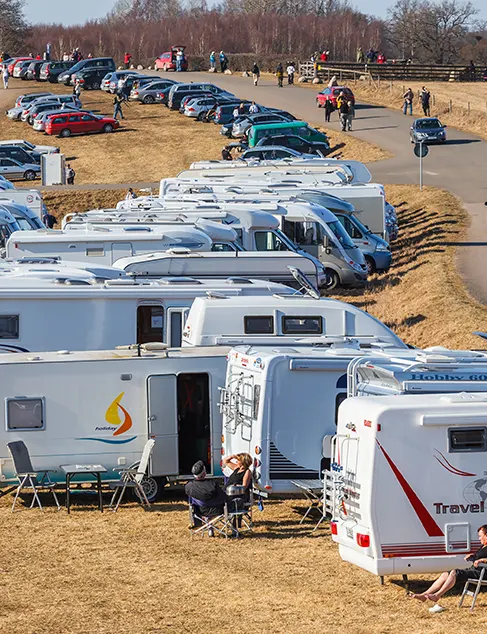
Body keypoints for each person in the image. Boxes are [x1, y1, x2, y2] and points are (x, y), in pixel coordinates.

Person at [409, 525, 487, 612]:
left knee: (454, 572)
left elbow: (483, 558)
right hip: (475, 570)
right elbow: (480, 555)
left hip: (482, 574)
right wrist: (472, 556)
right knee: (446, 574)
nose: (479, 538)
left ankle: (437, 595)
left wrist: (483, 560)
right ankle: (424, 595)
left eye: (480, 536)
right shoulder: (483, 546)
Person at [185, 460, 227, 528]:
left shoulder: (188, 486)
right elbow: (223, 498)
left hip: (200, 511)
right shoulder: (212, 484)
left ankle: (200, 523)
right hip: (217, 511)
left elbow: (190, 501)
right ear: (204, 473)